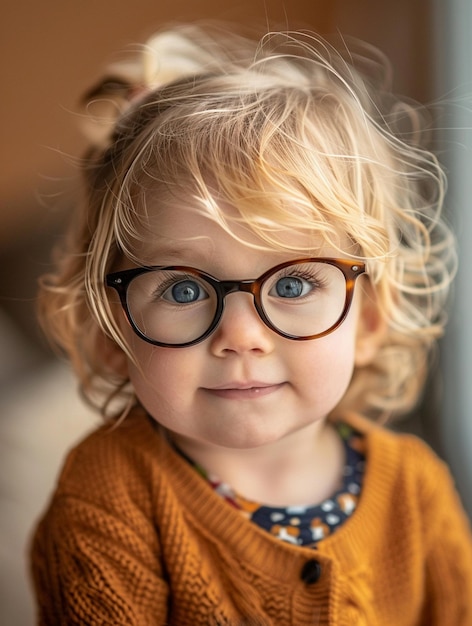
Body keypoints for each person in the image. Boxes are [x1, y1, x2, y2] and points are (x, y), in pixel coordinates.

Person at [30, 23, 472, 625]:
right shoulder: (107, 499)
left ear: (367, 318)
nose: (240, 336)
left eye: (292, 284)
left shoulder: (416, 490)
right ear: (114, 331)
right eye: (183, 289)